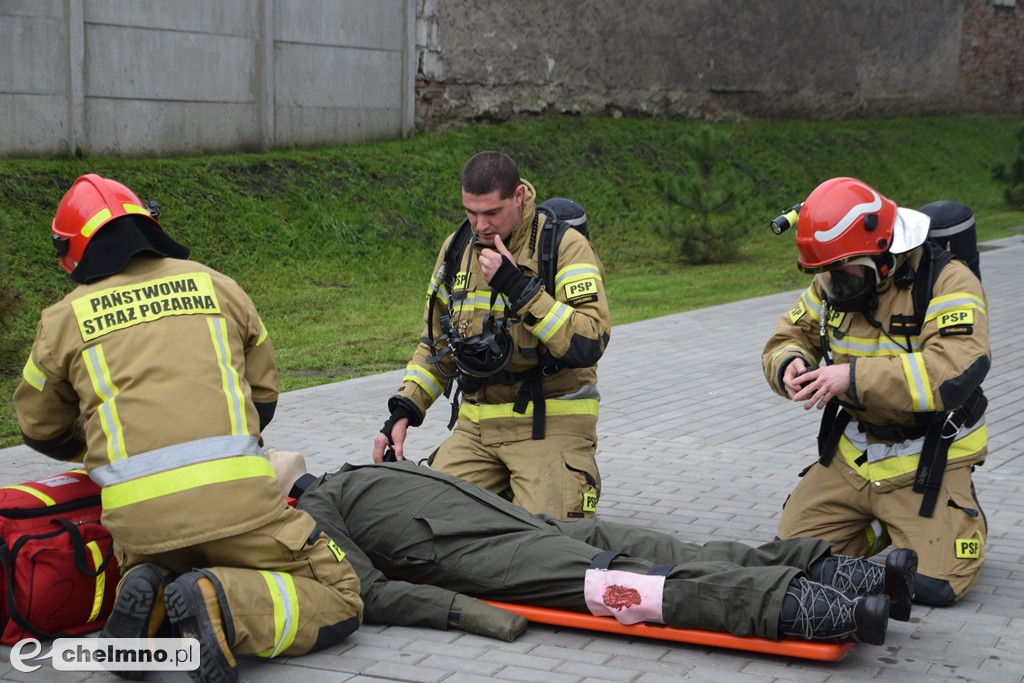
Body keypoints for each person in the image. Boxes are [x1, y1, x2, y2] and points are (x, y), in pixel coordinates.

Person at [13, 175, 363, 682]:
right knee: (341, 595)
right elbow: (263, 399)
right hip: (241, 508)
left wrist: (111, 446)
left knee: (165, 561)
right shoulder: (216, 284)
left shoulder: (62, 319)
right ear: (147, 223)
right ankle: (218, 600)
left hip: (140, 526)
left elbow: (38, 429)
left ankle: (153, 591)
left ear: (72, 252)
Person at [265, 448, 917, 647]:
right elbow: (369, 589)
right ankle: (821, 602)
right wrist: (471, 613)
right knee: (633, 576)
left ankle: (842, 575)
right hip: (503, 557)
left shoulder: (342, 479)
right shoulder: (320, 507)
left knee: (658, 550)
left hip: (521, 533)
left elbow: (369, 588)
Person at [761, 177, 990, 607]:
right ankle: (882, 523)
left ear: (884, 257)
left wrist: (852, 378)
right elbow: (788, 335)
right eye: (828, 278)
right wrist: (790, 363)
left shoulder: (949, 282)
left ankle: (952, 514)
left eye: (847, 276)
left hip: (928, 454)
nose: (836, 287)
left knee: (936, 585)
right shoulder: (835, 276)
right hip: (858, 451)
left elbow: (951, 371)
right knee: (791, 556)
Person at [372, 151, 611, 519]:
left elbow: (589, 341)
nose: (480, 225)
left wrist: (520, 290)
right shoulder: (457, 249)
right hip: (478, 427)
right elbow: (436, 344)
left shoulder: (564, 246)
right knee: (420, 523)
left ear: (518, 196)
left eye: (492, 213)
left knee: (547, 542)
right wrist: (403, 411)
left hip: (551, 425)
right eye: (471, 212)